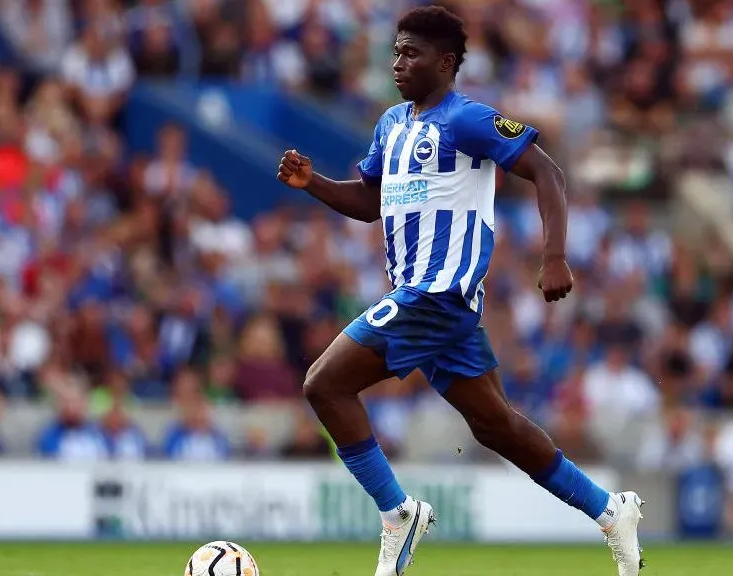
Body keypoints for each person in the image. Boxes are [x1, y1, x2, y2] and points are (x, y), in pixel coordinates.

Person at [276, 6, 644, 576]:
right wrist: (313, 183)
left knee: (324, 385)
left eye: (411, 53)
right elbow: (371, 204)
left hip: (436, 295)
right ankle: (609, 510)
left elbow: (547, 172)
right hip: (436, 305)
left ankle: (398, 514)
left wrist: (554, 256)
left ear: (446, 62)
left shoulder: (468, 120)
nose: (398, 63)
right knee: (496, 425)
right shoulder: (390, 124)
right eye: (395, 51)